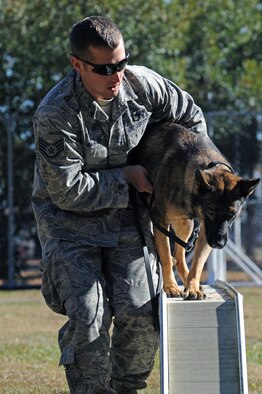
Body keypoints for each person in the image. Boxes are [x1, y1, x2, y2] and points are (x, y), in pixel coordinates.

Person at [32, 15, 207, 394]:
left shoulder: (143, 84)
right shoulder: (55, 113)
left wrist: (185, 177)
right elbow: (66, 190)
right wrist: (126, 178)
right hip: (69, 226)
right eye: (104, 69)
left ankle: (126, 388)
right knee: (90, 315)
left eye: (122, 63)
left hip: (129, 220)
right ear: (77, 65)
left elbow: (192, 120)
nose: (116, 76)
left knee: (141, 315)